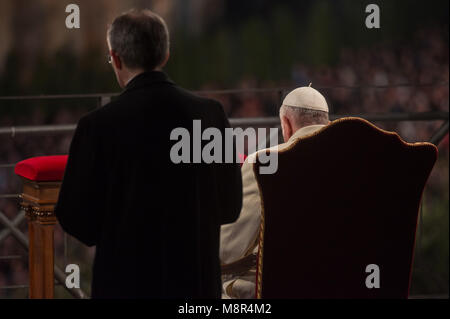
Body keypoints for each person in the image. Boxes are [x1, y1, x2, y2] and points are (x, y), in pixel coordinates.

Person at [55, 9, 242, 298]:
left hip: (125, 287)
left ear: (116, 59)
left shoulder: (96, 126)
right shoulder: (210, 115)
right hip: (196, 289)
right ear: (165, 55)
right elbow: (229, 206)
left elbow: (76, 220)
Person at [220, 86, 330, 299]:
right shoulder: (357, 163)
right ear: (328, 123)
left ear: (286, 124)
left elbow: (228, 250)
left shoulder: (263, 164)